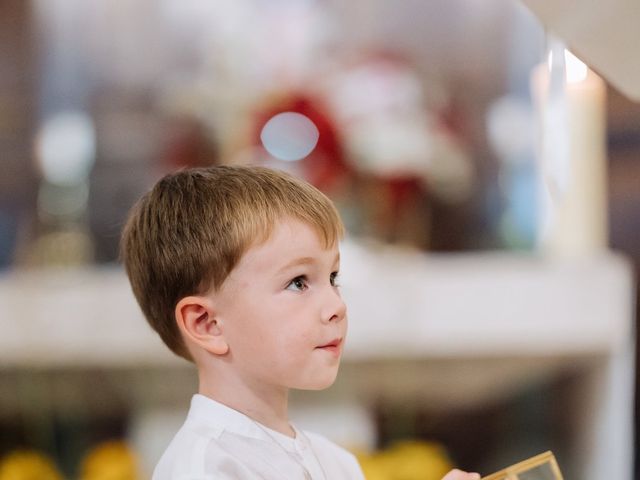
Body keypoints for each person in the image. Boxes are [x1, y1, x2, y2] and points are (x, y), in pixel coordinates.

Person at [120, 165, 481, 480]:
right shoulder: (204, 468)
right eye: (298, 282)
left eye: (334, 277)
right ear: (208, 324)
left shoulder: (335, 462)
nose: (336, 306)